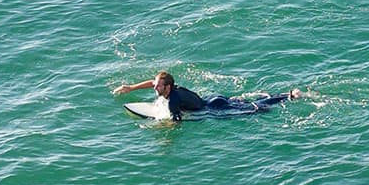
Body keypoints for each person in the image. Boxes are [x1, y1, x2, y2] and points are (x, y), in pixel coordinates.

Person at [113, 70, 302, 121]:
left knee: (255, 109)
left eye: (158, 86)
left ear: (168, 87)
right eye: (155, 85)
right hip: (212, 98)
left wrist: (163, 135)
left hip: (214, 107)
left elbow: (175, 122)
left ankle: (289, 96)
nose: (154, 88)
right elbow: (151, 82)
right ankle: (288, 94)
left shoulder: (173, 101)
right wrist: (130, 88)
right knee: (248, 101)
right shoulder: (169, 88)